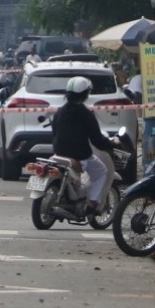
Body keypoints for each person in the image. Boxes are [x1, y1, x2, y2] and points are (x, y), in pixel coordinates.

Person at [52, 76, 118, 216]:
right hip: (80, 156)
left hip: (58, 154)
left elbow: (54, 132)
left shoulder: (60, 111)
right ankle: (93, 202)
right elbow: (97, 140)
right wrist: (111, 144)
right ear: (85, 94)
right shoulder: (86, 114)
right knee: (102, 171)